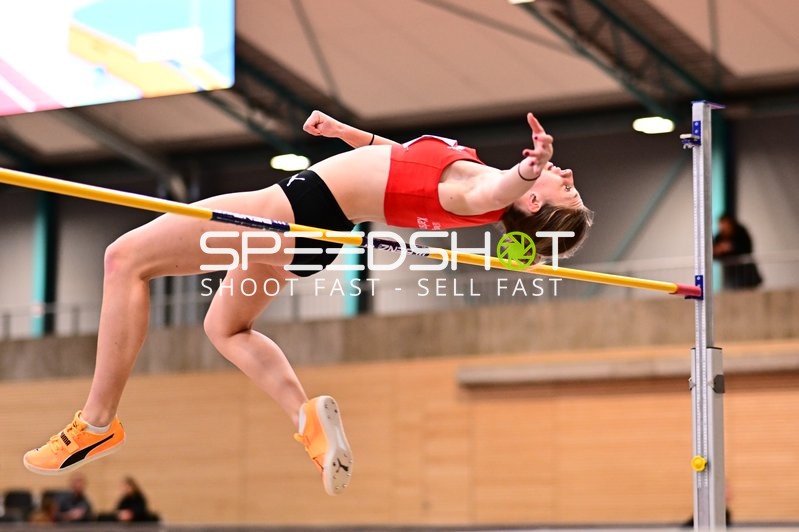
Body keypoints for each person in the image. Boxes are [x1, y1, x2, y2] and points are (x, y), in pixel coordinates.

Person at [22, 110, 593, 496]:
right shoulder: (470, 175)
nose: (567, 173)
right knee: (226, 328)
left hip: (292, 211)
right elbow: (399, 159)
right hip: (314, 232)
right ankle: (305, 418)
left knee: (124, 259)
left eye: (565, 187)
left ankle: (96, 421)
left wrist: (525, 171)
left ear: (531, 200)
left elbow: (494, 190)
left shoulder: (479, 194)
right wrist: (344, 133)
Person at [713, 213, 762, 290]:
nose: (723, 226)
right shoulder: (719, 237)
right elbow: (714, 254)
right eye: (721, 224)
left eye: (725, 223)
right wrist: (718, 251)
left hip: (745, 269)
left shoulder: (740, 232)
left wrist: (731, 247)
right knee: (732, 290)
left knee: (748, 290)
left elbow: (747, 248)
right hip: (730, 271)